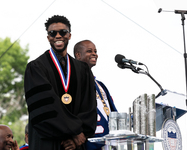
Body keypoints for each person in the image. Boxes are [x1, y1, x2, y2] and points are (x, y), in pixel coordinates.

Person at [24, 15, 97, 150]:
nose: (58, 36)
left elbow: (89, 105)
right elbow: (44, 106)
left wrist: (79, 136)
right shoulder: (36, 67)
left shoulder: (83, 69)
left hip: (77, 144)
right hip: (48, 142)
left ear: (69, 35)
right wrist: (73, 131)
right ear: (48, 37)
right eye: (52, 33)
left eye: (63, 32)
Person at [74, 40, 117, 150]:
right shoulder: (73, 81)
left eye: (95, 51)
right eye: (89, 51)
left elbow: (112, 113)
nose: (94, 54)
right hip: (87, 144)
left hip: (109, 144)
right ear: (78, 55)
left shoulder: (100, 85)